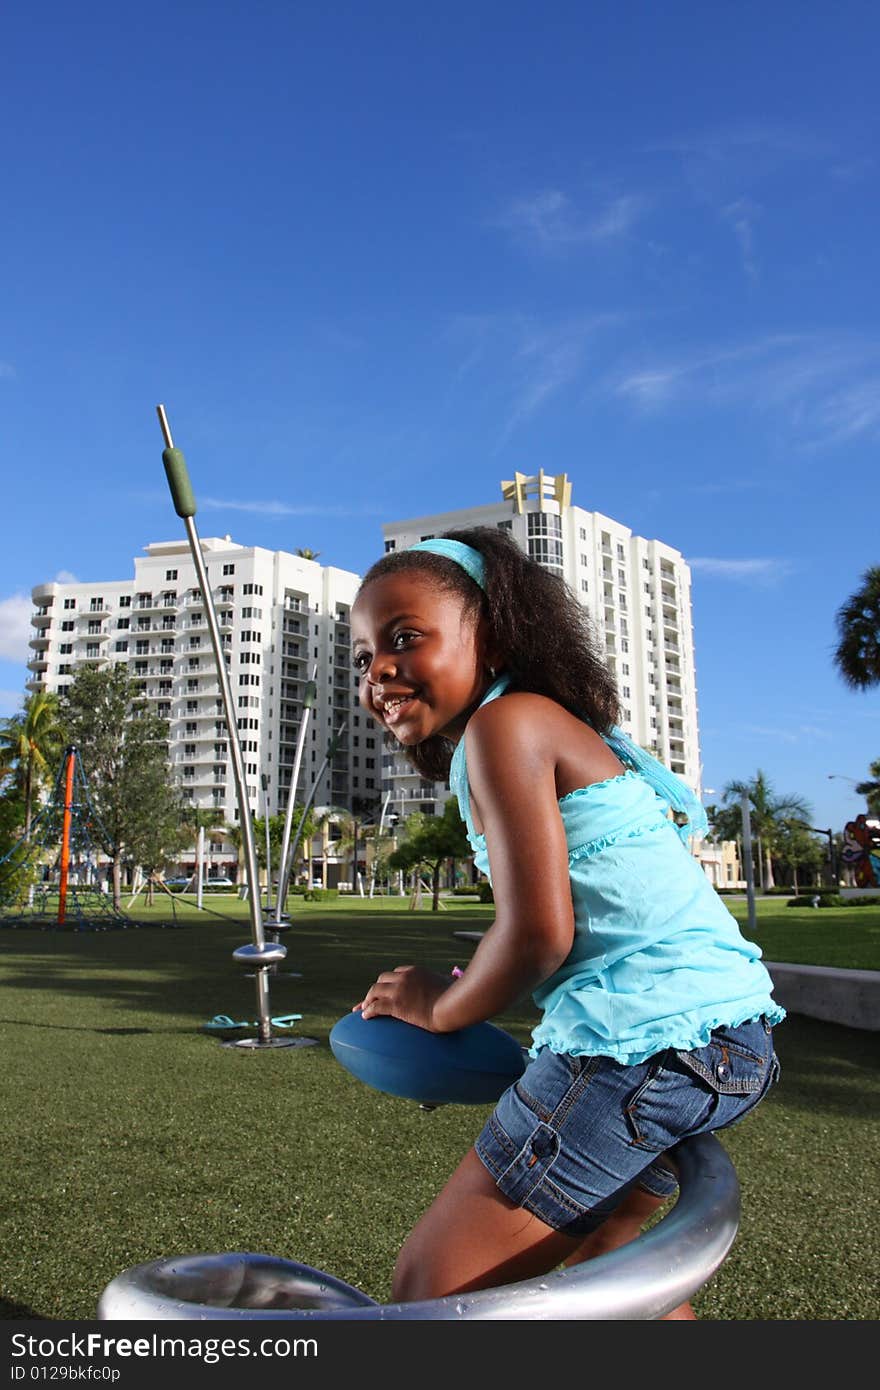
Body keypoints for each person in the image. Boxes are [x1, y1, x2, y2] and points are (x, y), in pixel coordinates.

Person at [350, 527, 783, 1318]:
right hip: (725, 1038)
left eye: (405, 637)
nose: (377, 668)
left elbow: (537, 932)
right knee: (603, 1281)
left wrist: (437, 1007)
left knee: (435, 1293)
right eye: (363, 655)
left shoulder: (504, 726)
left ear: (496, 634)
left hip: (643, 1045)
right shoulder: (537, 727)